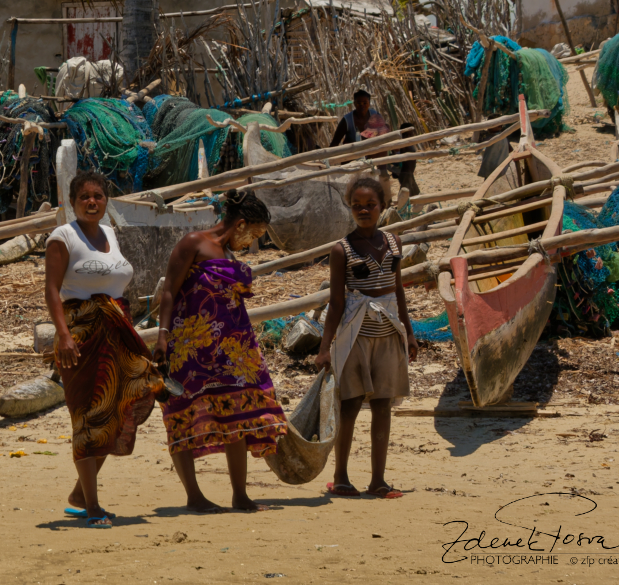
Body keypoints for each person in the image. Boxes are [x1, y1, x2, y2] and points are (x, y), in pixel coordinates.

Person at [156, 187, 289, 513]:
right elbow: (169, 292)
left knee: (238, 416)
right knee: (182, 415)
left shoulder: (229, 256)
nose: (249, 244)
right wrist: (162, 336)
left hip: (232, 351)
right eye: (252, 235)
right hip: (190, 348)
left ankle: (240, 495)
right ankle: (194, 496)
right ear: (240, 223)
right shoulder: (193, 243)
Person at [45, 170, 160, 528]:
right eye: (84, 197)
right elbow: (51, 290)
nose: (92, 202)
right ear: (72, 202)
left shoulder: (111, 233)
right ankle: (91, 506)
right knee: (88, 416)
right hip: (80, 333)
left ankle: (81, 493)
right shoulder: (62, 236)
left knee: (131, 398)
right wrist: (63, 335)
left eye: (98, 196)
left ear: (106, 200)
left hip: (116, 329)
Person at [314, 176, 416, 499]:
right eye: (356, 206)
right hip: (355, 335)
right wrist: (324, 348)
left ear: (382, 206)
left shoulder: (394, 243)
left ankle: (378, 481)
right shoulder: (340, 250)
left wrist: (410, 333)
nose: (363, 211)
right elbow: (336, 304)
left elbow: (398, 290)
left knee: (384, 406)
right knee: (350, 405)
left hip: (387, 335)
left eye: (370, 205)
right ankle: (341, 477)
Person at [328, 90, 412, 186]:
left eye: (365, 103)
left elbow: (384, 136)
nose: (362, 106)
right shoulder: (347, 120)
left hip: (372, 153)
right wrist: (328, 160)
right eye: (359, 103)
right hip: (353, 155)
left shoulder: (375, 115)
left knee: (382, 150)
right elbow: (335, 142)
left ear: (369, 103)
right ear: (354, 104)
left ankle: (383, 176)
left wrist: (395, 152)